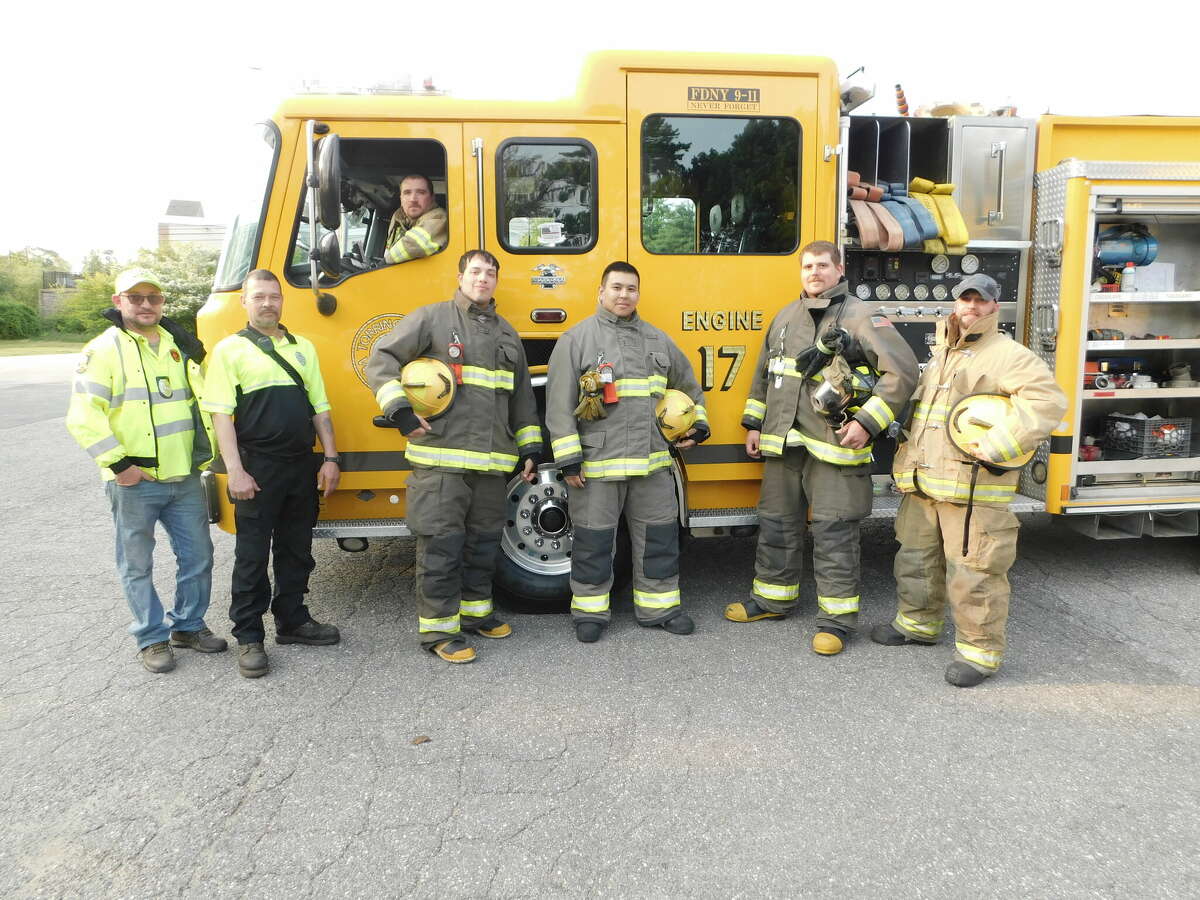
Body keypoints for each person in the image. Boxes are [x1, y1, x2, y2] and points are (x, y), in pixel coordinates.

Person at [872, 273, 1066, 687]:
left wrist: (999, 444)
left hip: (972, 488)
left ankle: (979, 653)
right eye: (966, 299)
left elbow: (1048, 402)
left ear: (995, 308)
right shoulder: (943, 351)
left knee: (976, 572)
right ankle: (918, 625)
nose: (972, 307)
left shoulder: (1008, 355)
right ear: (955, 304)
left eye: (982, 301)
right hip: (924, 483)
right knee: (915, 559)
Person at [731, 241, 919, 656]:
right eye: (807, 266)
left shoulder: (862, 316)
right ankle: (771, 600)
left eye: (821, 265)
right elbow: (766, 376)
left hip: (836, 447)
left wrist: (868, 423)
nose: (814, 272)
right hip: (784, 444)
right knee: (777, 524)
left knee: (834, 533)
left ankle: (836, 622)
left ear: (839, 269)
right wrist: (754, 424)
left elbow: (902, 372)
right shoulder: (785, 317)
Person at [367, 250, 542, 663]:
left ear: (497, 281)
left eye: (490, 273)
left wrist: (531, 447)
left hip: (492, 464)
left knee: (482, 544)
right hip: (441, 460)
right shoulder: (432, 319)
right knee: (442, 546)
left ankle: (475, 614)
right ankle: (439, 631)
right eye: (476, 272)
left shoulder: (506, 335)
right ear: (461, 276)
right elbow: (383, 359)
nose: (483, 279)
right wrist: (400, 411)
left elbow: (520, 399)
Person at [66, 267, 225, 673]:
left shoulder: (178, 344)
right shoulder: (103, 350)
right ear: (118, 302)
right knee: (137, 564)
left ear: (161, 302)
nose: (145, 304)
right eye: (135, 298)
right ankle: (151, 638)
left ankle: (188, 626)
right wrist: (121, 466)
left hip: (184, 476)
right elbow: (83, 417)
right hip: (134, 481)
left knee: (199, 557)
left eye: (153, 297)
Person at [546, 261, 709, 643]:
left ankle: (660, 608)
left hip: (653, 464)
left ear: (639, 293)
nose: (624, 295)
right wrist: (568, 458)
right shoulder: (577, 339)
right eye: (616, 288)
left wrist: (698, 425)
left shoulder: (658, 340)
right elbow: (558, 406)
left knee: (659, 539)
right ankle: (589, 612)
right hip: (597, 465)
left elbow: (688, 388)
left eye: (631, 288)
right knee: (593, 540)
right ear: (601, 292)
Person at [202, 269, 342, 678]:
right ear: (244, 302)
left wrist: (330, 459)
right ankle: (249, 637)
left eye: (274, 296)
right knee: (251, 555)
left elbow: (320, 406)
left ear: (283, 301)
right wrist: (236, 472)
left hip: (302, 465)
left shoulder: (304, 348)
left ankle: (293, 621)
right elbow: (221, 417)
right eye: (259, 296)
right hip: (257, 469)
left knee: (297, 549)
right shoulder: (230, 350)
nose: (267, 303)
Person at [384, 174, 448, 265]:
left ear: (432, 198)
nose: (413, 199)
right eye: (407, 193)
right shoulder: (398, 218)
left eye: (421, 192)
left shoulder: (439, 218)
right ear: (401, 198)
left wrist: (382, 264)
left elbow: (412, 245)